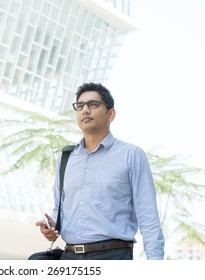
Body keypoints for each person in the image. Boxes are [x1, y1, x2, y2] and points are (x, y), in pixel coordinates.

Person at [35, 82, 165, 260]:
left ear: (110, 114)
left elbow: (148, 216)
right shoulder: (66, 158)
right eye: (80, 106)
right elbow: (60, 208)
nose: (85, 110)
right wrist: (52, 228)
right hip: (69, 257)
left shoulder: (131, 155)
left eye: (93, 105)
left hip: (113, 257)